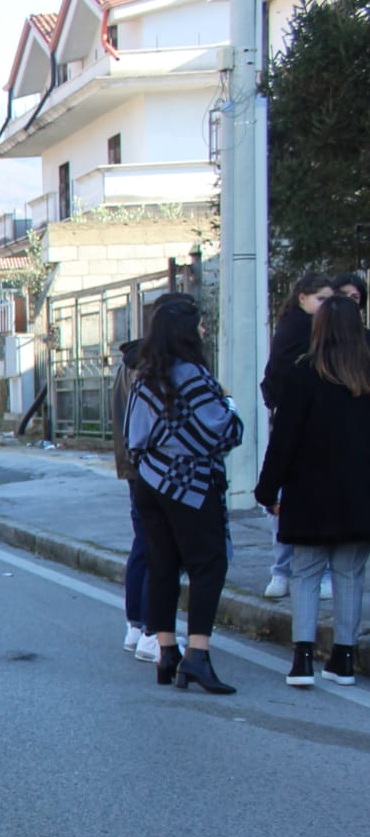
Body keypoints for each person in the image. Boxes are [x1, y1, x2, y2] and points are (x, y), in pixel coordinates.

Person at [127, 297, 244, 694]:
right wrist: (230, 404)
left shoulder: (144, 377)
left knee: (162, 564)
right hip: (189, 483)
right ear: (185, 333)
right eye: (200, 325)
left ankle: (166, 651)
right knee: (208, 564)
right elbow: (222, 432)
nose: (205, 331)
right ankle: (198, 654)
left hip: (150, 481)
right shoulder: (192, 376)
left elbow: (133, 437)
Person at [256, 292, 370, 687]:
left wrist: (267, 489)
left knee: (304, 573)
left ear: (319, 329)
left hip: (309, 493)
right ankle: (343, 658)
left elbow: (284, 439)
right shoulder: (366, 373)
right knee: (350, 574)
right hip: (359, 493)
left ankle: (302, 659)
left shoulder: (303, 373)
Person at [112, 294, 200, 665]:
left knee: (145, 544)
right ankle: (152, 630)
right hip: (157, 468)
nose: (202, 330)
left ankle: (137, 625)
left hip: (135, 465)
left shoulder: (133, 361)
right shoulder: (155, 366)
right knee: (160, 549)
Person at [260, 273, 334, 600]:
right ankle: (287, 570)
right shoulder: (301, 328)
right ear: (302, 297)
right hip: (298, 422)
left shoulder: (294, 326)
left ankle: (284, 571)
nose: (325, 307)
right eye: (321, 299)